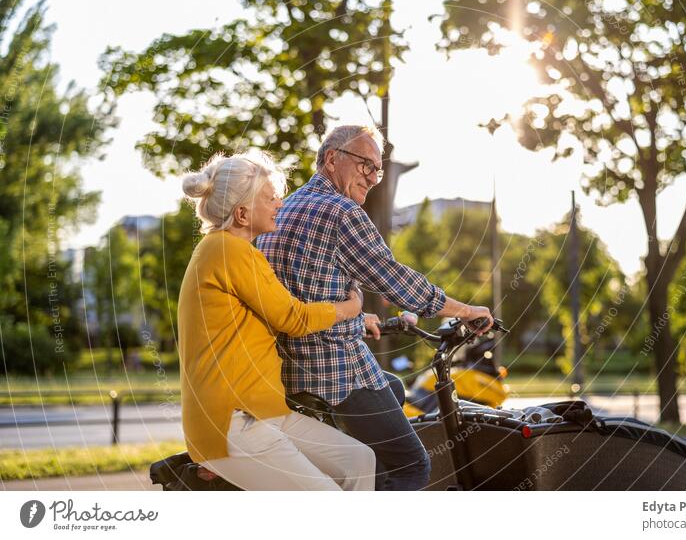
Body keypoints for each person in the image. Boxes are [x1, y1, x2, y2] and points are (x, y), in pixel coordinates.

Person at [257, 125, 493, 490]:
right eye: (365, 165)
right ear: (332, 159)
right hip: (333, 371)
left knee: (395, 389)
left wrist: (356, 316)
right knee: (412, 466)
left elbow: (296, 288)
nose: (373, 177)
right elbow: (396, 280)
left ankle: (364, 483)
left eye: (377, 169)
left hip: (287, 368)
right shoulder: (340, 211)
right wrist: (465, 311)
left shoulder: (280, 209)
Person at [177, 150, 375, 491]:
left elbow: (280, 305)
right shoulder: (229, 251)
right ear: (241, 213)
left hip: (263, 412)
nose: (279, 204)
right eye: (270, 198)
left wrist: (350, 315)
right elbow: (292, 317)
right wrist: (350, 307)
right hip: (232, 420)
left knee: (359, 460)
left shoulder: (227, 250)